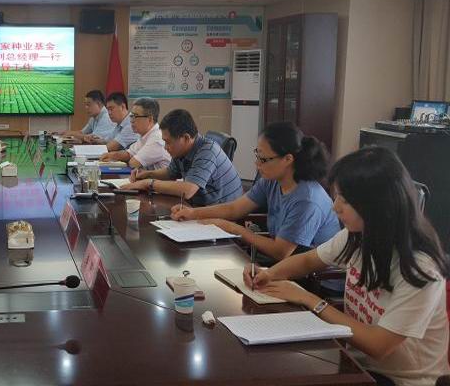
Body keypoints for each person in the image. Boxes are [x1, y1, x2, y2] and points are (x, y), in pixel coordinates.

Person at [246, 147, 450, 386]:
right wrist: (268, 274)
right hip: (355, 364)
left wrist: (310, 300)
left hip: (401, 380)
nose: (335, 207)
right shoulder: (358, 236)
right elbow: (308, 260)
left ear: (377, 205)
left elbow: (378, 346)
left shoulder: (420, 269)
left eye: (344, 199)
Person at [172, 121, 340, 262]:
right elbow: (234, 208)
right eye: (257, 155)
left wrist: (233, 228)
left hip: (315, 279)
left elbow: (281, 252)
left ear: (288, 159)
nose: (257, 164)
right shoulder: (272, 180)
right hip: (285, 264)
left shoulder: (307, 199)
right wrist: (192, 213)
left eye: (263, 159)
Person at [121, 109, 242, 206]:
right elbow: (170, 173)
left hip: (223, 213)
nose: (165, 147)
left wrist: (149, 183)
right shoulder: (182, 151)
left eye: (168, 142)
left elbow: (187, 190)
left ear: (186, 138)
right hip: (200, 206)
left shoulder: (207, 151)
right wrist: (147, 174)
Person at [99, 97, 171, 170]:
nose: (131, 121)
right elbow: (129, 154)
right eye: (131, 116)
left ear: (149, 119)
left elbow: (134, 163)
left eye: (135, 116)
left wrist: (120, 158)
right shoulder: (145, 135)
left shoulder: (157, 139)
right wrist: (113, 155)